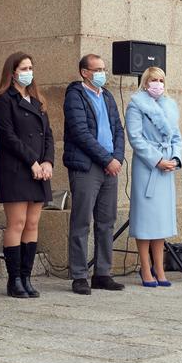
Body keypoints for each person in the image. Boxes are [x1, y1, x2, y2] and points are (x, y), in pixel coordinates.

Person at [0, 52, 55, 298]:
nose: (29, 71)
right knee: (16, 224)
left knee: (32, 223)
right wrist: (32, 162)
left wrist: (48, 161)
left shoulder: (37, 100)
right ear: (12, 72)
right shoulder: (3, 100)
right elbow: (8, 136)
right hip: (17, 169)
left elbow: (48, 134)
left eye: (31, 67)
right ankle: (14, 279)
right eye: (24, 68)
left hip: (40, 170)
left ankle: (27, 278)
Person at [64, 54, 126, 295]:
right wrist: (107, 159)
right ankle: (79, 275)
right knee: (81, 221)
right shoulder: (75, 96)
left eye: (103, 69)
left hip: (111, 165)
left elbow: (118, 129)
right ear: (84, 72)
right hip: (87, 166)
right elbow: (80, 133)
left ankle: (103, 273)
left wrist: (117, 158)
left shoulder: (107, 96)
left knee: (106, 222)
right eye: (97, 69)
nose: (102, 73)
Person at [125, 67, 182, 287]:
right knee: (145, 219)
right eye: (153, 80)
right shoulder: (136, 105)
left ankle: (160, 267)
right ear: (145, 82)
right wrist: (157, 159)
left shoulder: (170, 105)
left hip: (167, 167)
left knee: (161, 220)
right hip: (148, 166)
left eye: (161, 80)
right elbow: (135, 138)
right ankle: (145, 266)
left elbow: (177, 136)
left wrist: (175, 159)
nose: (157, 83)